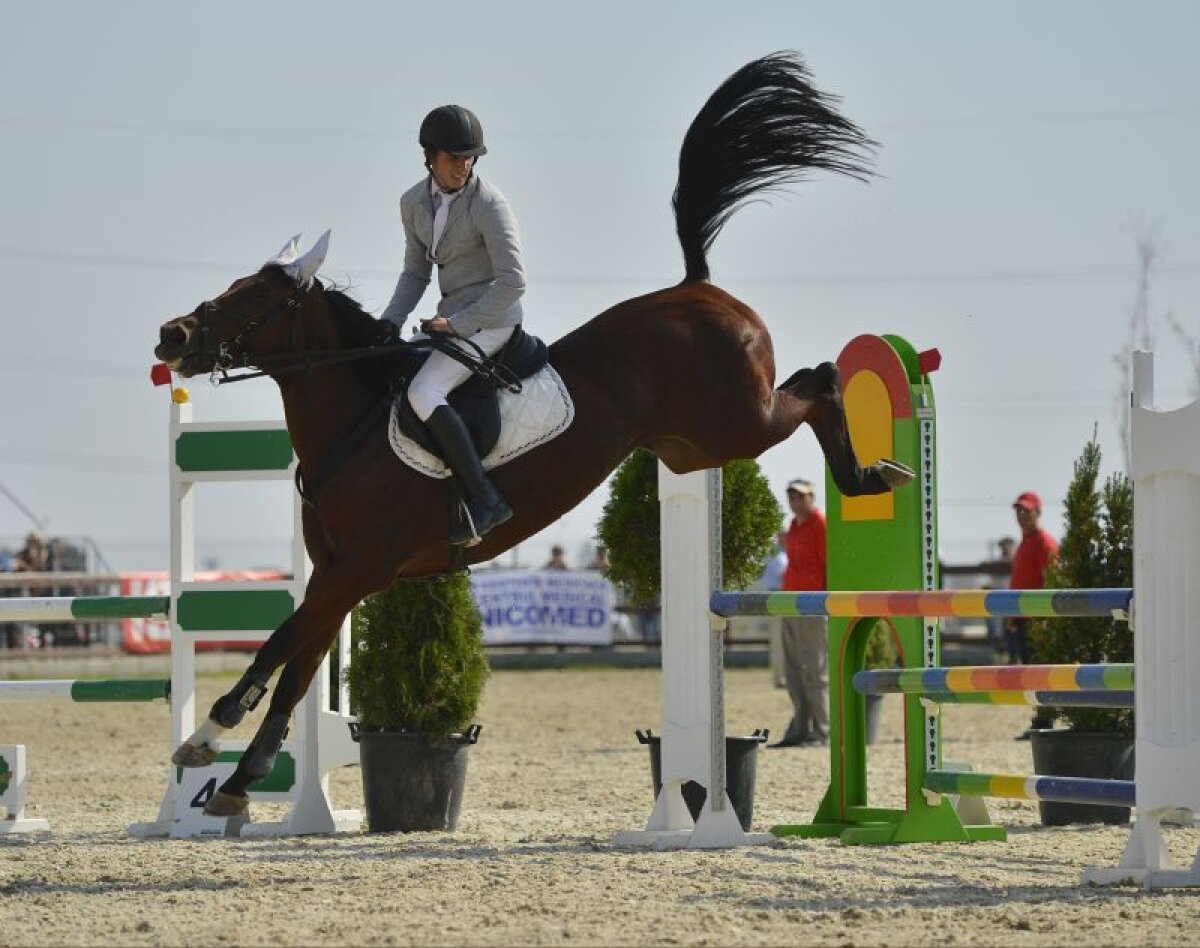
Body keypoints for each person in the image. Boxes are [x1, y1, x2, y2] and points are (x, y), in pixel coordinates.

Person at [377, 104, 526, 546]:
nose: (464, 165)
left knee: (424, 391)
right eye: (455, 157)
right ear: (430, 156)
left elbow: (513, 281)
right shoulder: (412, 203)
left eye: (470, 157)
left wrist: (458, 324)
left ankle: (484, 499)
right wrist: (390, 321)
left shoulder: (489, 204)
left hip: (493, 320)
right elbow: (415, 273)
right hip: (449, 320)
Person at [770, 479, 829, 748]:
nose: (795, 501)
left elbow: (828, 563)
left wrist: (826, 603)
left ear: (812, 497)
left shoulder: (820, 523)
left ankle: (822, 730)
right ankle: (800, 728)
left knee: (815, 669)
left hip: (813, 605)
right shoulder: (793, 527)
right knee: (792, 671)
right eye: (791, 496)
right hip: (790, 603)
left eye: (800, 496)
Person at [1006, 490, 1059, 739]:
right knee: (1032, 672)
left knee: (1040, 672)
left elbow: (1052, 582)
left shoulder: (1044, 543)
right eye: (1019, 510)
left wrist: (1045, 619)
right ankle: (1041, 719)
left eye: (1026, 510)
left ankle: (1045, 721)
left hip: (1038, 621)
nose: (1022, 515)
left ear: (1038, 512)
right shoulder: (1026, 542)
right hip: (1024, 618)